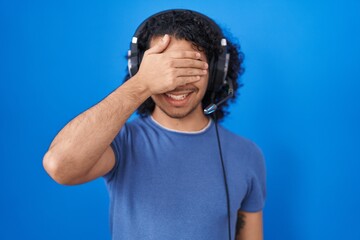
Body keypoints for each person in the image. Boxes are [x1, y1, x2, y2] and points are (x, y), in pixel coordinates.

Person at [43, 9, 266, 240]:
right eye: (163, 70)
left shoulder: (247, 155)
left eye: (189, 68)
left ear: (218, 72)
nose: (176, 83)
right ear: (140, 70)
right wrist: (141, 85)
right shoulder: (122, 143)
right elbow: (59, 165)